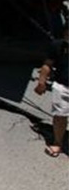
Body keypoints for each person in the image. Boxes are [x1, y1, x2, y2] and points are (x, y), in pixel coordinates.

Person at [34, 23, 68, 158]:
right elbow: (47, 65)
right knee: (60, 117)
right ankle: (58, 143)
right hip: (62, 86)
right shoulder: (57, 46)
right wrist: (41, 82)